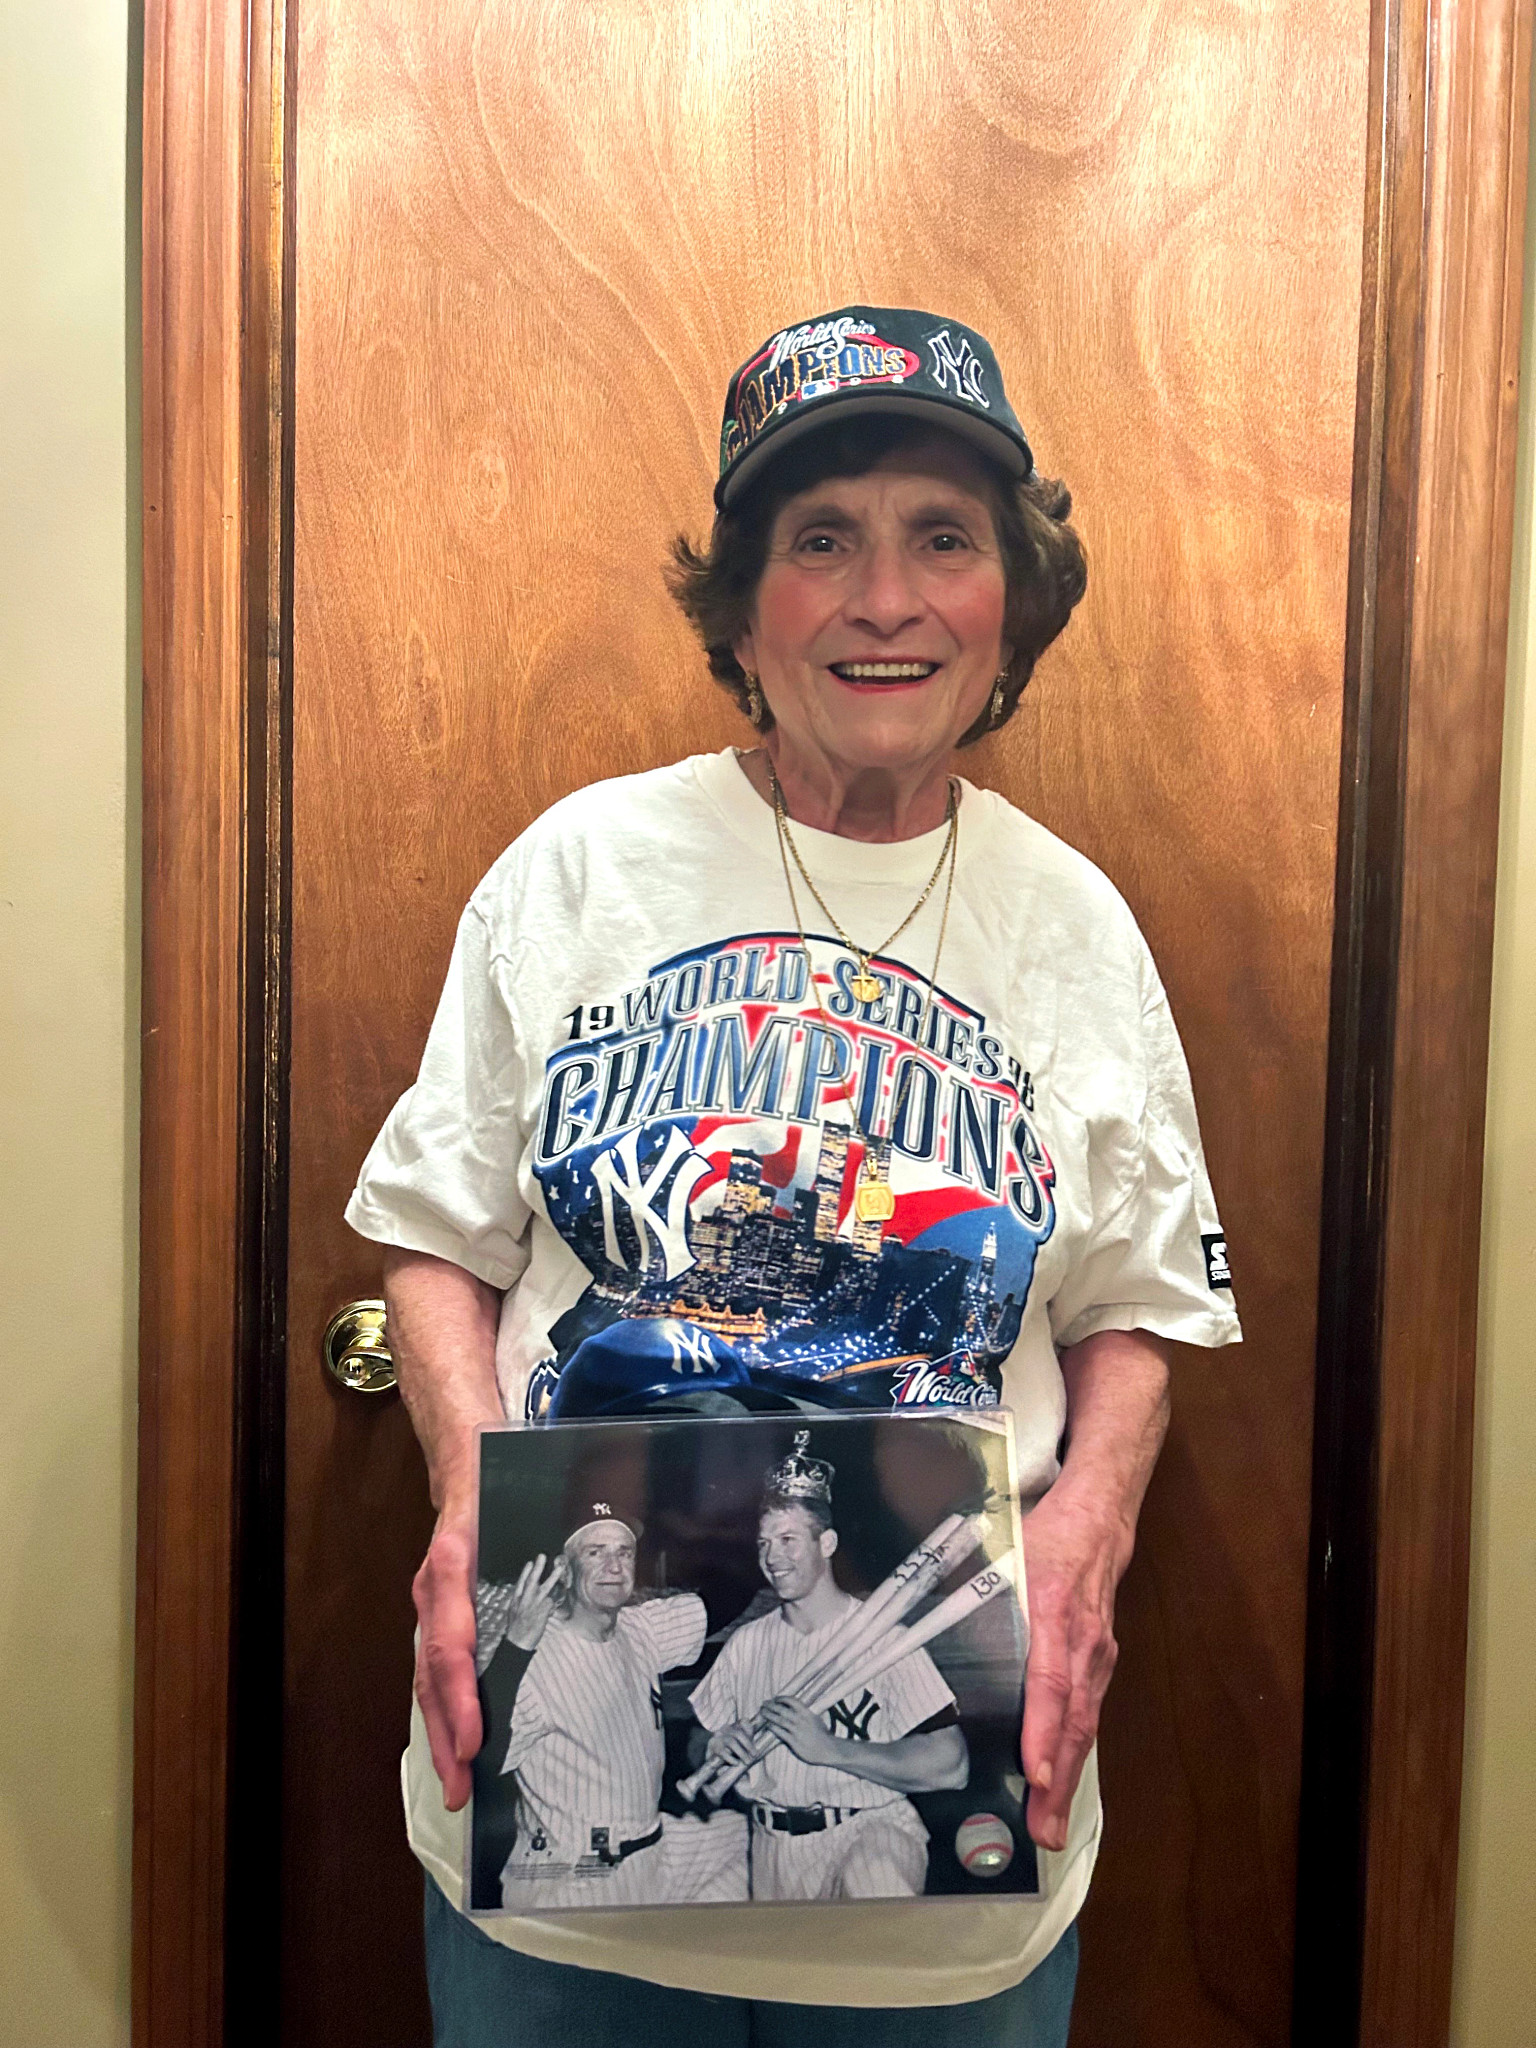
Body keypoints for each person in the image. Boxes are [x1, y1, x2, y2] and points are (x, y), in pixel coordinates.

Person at [347, 304, 1242, 2046]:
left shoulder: (1074, 927)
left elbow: (1139, 1297)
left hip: (947, 1868)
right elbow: (434, 1238)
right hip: (559, 1852)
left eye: (942, 538)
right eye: (819, 539)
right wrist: (467, 1503)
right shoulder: (580, 869)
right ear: (743, 606)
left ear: (1010, 601)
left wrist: (1089, 1536)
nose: (884, 598)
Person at [690, 1434, 967, 1901]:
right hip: (773, 1847)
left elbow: (951, 1763)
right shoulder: (746, 1645)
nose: (773, 1558)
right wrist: (714, 1743)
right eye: (764, 1543)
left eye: (789, 1540)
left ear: (827, 1543)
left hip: (869, 1829)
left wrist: (831, 1750)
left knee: (875, 1894)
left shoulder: (884, 1636)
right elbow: (700, 1738)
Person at [475, 1504, 747, 1909]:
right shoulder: (534, 1656)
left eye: (624, 1552)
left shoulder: (640, 1628)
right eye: (595, 1552)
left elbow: (723, 1602)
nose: (614, 1566)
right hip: (581, 1876)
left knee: (736, 1836)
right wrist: (516, 1646)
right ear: (564, 1571)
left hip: (656, 1850)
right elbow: (480, 1759)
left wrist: (754, 1518)